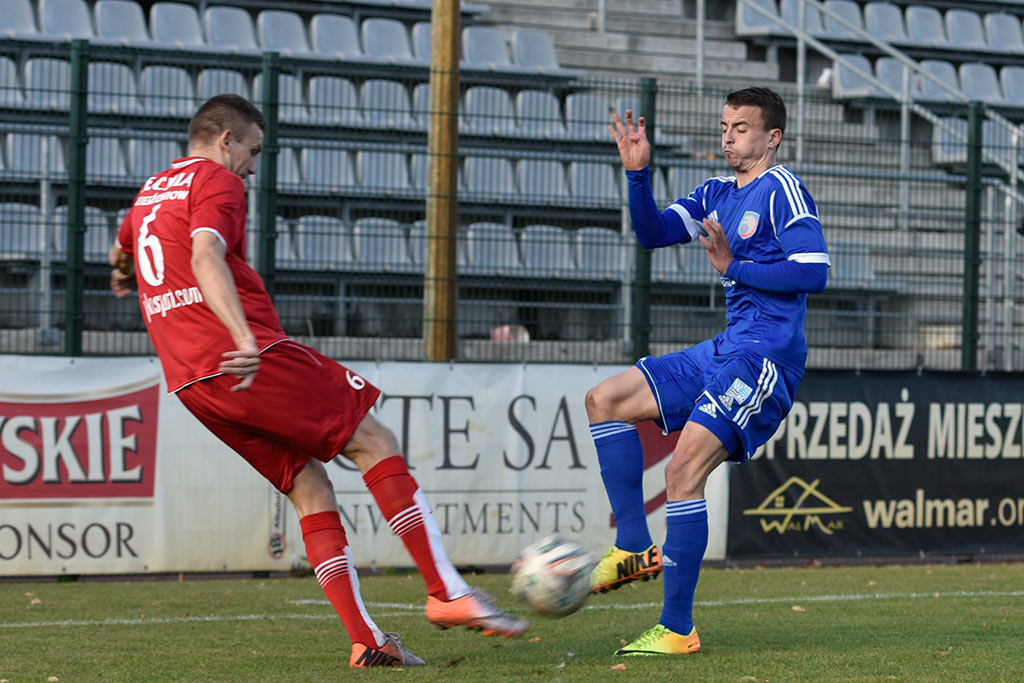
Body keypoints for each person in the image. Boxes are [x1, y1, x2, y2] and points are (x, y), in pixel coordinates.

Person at [109, 94, 527, 669]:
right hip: (241, 356)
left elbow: (122, 250)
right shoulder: (217, 181)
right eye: (253, 150)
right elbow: (205, 255)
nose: (253, 166)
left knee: (309, 486)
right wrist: (244, 337)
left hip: (189, 381)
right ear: (226, 139)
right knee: (374, 441)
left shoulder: (152, 192)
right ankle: (446, 591)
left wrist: (125, 274)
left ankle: (367, 640)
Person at [586, 87, 829, 656]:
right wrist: (638, 174)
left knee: (681, 474)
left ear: (772, 137)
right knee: (605, 400)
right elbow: (652, 234)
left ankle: (677, 629)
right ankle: (632, 545)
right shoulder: (716, 193)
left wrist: (733, 265)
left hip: (766, 358)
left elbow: (813, 271)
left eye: (741, 128)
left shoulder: (783, 189)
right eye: (724, 127)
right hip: (725, 349)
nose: (728, 138)